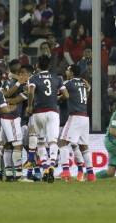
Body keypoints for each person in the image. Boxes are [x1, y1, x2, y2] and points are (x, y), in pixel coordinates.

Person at [27, 55, 68, 183]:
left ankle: (44, 166)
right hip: (53, 112)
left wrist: (29, 106)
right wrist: (56, 99)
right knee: (52, 141)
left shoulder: (33, 78)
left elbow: (31, 92)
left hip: (38, 112)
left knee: (40, 141)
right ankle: (51, 165)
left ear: (38, 65)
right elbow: (66, 95)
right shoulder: (57, 78)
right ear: (49, 66)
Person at [58, 64, 95, 182]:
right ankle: (90, 174)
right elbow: (86, 94)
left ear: (72, 72)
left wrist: (57, 99)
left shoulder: (68, 83)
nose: (66, 71)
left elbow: (60, 94)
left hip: (75, 116)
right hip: (85, 117)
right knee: (84, 147)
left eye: (68, 70)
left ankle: (65, 171)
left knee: (62, 143)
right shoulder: (84, 84)